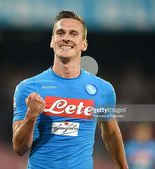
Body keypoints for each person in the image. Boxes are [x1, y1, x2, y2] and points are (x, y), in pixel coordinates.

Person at [12, 10, 128, 169]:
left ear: (84, 44)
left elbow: (111, 133)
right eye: (60, 33)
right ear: (52, 41)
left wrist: (124, 167)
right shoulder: (29, 88)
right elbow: (19, 148)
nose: (66, 37)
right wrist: (31, 117)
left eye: (73, 34)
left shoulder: (103, 90)